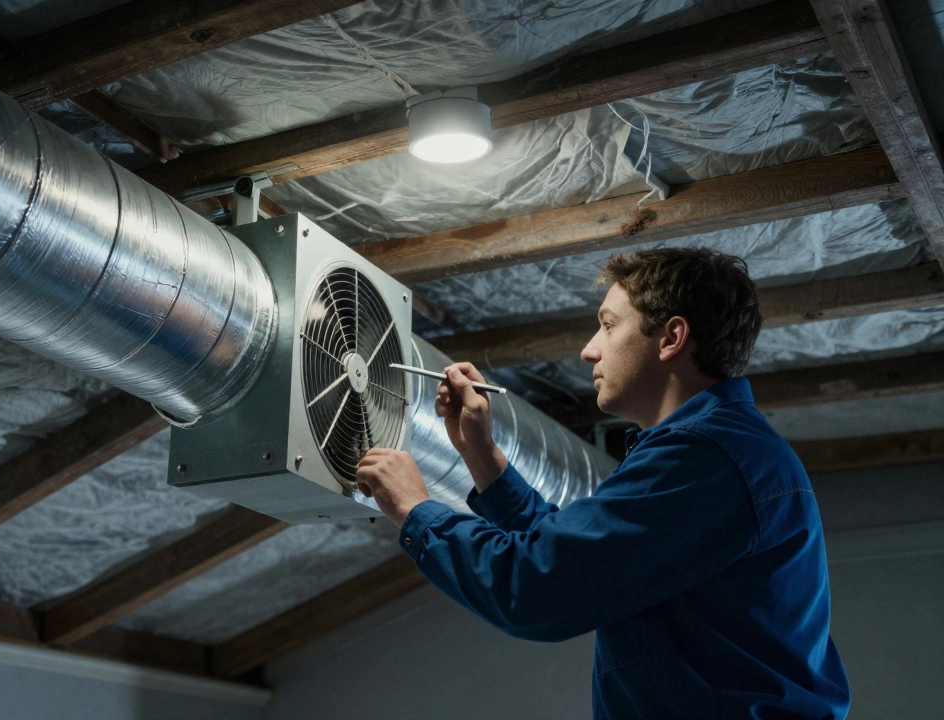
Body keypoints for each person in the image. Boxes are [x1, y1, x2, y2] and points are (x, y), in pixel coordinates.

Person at [356, 248, 850, 719]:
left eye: (608, 326)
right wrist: (481, 455)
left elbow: (536, 590)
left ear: (672, 337)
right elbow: (572, 558)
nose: (588, 350)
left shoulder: (705, 457)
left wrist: (416, 512)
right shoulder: (723, 451)